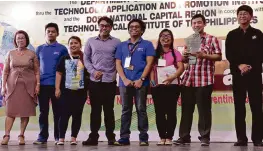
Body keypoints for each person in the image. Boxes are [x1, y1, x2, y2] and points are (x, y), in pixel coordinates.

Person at [174, 14, 222, 146]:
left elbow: (218, 56)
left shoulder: (212, 39)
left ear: (204, 24)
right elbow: (187, 61)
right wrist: (184, 57)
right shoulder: (190, 39)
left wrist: (204, 55)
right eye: (194, 23)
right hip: (188, 79)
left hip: (204, 80)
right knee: (186, 110)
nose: (196, 25)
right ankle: (184, 137)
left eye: (199, 23)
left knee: (204, 110)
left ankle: (205, 137)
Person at [225, 5, 263, 147]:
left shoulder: (258, 34)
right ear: (237, 17)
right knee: (239, 107)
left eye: (245, 14)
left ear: (251, 17)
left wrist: (249, 66)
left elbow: (260, 53)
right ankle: (241, 138)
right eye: (240, 14)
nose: (242, 16)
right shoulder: (232, 34)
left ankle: (258, 138)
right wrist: (239, 66)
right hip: (238, 75)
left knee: (257, 107)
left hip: (254, 75)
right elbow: (229, 54)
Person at [115, 19, 155, 146]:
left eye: (137, 27)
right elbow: (118, 64)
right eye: (131, 27)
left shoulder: (147, 45)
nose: (134, 29)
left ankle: (143, 138)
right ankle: (124, 137)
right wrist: (125, 79)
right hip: (125, 83)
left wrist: (141, 79)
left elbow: (149, 63)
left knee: (141, 109)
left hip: (140, 82)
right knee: (125, 110)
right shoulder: (122, 45)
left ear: (142, 30)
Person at [82, 16, 121, 146]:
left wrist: (115, 73)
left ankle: (111, 137)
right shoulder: (90, 41)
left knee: (109, 111)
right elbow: (86, 59)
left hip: (110, 81)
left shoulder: (117, 42)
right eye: (102, 25)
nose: (104, 27)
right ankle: (93, 137)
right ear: (99, 26)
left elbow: (119, 61)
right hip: (94, 81)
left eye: (107, 25)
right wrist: (93, 71)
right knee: (95, 111)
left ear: (111, 27)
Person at [1, 30, 40, 145]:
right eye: (18, 38)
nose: (20, 40)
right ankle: (6, 135)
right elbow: (5, 72)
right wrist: (3, 87)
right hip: (12, 86)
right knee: (10, 112)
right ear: (15, 40)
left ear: (26, 40)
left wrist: (37, 85)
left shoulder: (32, 54)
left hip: (29, 86)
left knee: (25, 112)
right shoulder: (10, 53)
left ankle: (21, 135)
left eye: (22, 38)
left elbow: (37, 71)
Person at [34, 23, 68, 144]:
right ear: (45, 33)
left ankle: (58, 137)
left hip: (57, 86)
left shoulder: (62, 49)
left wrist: (60, 86)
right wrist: (36, 84)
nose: (50, 33)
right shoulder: (39, 49)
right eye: (48, 31)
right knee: (43, 112)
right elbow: (36, 68)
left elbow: (65, 68)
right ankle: (42, 137)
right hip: (42, 85)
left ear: (57, 33)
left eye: (53, 31)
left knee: (58, 112)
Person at [150, 29, 184, 145]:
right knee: (159, 112)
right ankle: (162, 137)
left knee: (171, 112)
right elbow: (151, 69)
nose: (165, 38)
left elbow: (181, 67)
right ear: (159, 39)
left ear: (172, 38)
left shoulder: (175, 53)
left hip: (172, 86)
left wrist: (173, 77)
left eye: (168, 35)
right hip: (157, 87)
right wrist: (153, 83)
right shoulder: (154, 53)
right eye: (163, 36)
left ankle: (169, 137)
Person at [55, 36, 89, 145]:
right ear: (68, 45)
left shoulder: (85, 58)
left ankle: (74, 138)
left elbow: (89, 74)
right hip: (66, 92)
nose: (73, 45)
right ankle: (61, 138)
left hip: (80, 92)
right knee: (64, 115)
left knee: (77, 115)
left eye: (76, 43)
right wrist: (57, 88)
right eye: (71, 43)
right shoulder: (64, 58)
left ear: (80, 45)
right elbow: (59, 73)